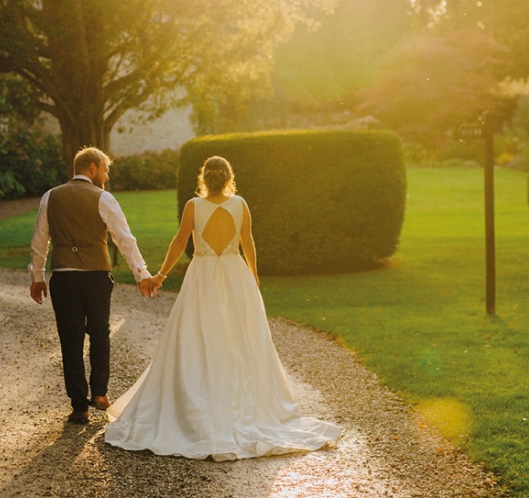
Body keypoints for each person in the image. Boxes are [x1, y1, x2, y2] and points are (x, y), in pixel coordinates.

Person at [104, 156, 341, 460]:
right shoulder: (240, 203)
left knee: (197, 335)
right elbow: (247, 241)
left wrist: (161, 275)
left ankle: (199, 400)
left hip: (202, 275)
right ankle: (241, 403)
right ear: (229, 177)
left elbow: (180, 241)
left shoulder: (193, 205)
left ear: (204, 177)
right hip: (234, 274)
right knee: (241, 336)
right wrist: (253, 274)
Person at [29, 147, 156, 425]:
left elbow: (40, 241)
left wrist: (37, 277)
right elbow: (124, 239)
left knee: (70, 341)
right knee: (99, 332)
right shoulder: (103, 198)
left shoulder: (51, 196)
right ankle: (99, 393)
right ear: (93, 168)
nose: (107, 177)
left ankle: (79, 407)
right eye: (106, 170)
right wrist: (141, 274)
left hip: (64, 277)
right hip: (96, 277)